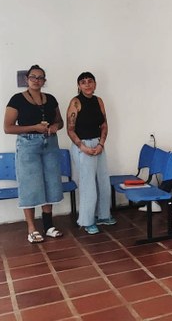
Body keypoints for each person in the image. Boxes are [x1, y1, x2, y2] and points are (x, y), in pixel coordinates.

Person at [3, 64, 64, 244]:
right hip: (28, 145)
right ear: (26, 79)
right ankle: (31, 228)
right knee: (29, 185)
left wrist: (55, 126)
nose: (36, 80)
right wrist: (34, 128)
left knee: (51, 182)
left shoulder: (51, 99)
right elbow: (8, 128)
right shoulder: (17, 99)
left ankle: (48, 226)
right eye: (33, 77)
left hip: (50, 143)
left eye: (40, 78)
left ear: (44, 81)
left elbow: (59, 121)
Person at [66, 72, 114, 235]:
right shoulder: (75, 102)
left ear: (95, 84)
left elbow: (104, 125)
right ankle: (87, 221)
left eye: (90, 81)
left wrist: (101, 144)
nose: (87, 84)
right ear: (79, 86)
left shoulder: (98, 101)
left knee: (103, 181)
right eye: (83, 82)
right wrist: (82, 147)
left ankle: (103, 215)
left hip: (98, 145)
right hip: (82, 146)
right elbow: (70, 130)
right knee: (88, 185)